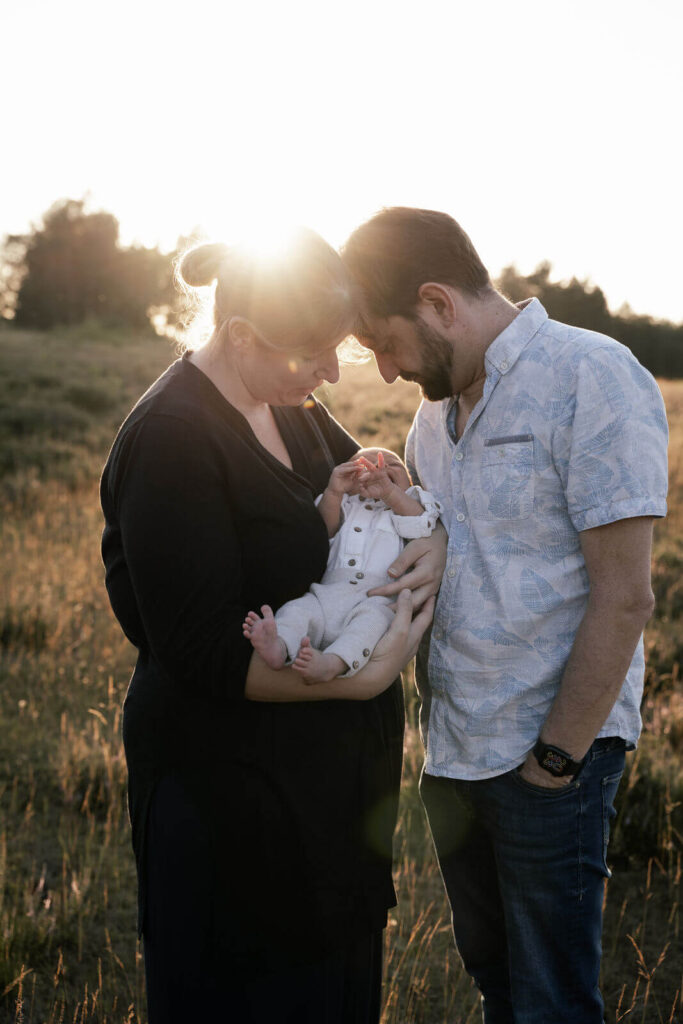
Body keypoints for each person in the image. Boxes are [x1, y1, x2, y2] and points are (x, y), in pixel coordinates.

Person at [100, 228, 445, 1024]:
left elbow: (377, 509)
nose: (330, 371)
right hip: (228, 804)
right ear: (241, 337)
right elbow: (199, 653)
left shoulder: (290, 407)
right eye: (313, 352)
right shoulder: (171, 440)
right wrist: (368, 672)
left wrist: (429, 549)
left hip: (324, 800)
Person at [341, 207, 669, 1024]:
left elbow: (624, 593)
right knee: (497, 986)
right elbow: (444, 548)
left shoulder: (591, 374)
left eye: (386, 344)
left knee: (552, 1004)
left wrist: (555, 763)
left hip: (548, 760)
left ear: (438, 303)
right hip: (454, 757)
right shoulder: (432, 412)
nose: (383, 372)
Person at [243, 447, 442, 682]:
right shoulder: (345, 503)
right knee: (297, 610)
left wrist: (390, 493)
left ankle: (332, 663)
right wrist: (334, 491)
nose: (381, 467)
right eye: (364, 465)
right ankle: (280, 645)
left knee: (372, 625)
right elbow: (321, 532)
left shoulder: (406, 507)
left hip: (375, 598)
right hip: (326, 593)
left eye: (393, 466)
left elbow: (421, 525)